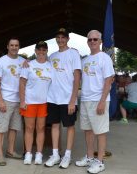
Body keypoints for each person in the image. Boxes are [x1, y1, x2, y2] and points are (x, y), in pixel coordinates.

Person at [75, 30, 114, 174]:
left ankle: (100, 161)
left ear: (100, 41)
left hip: (98, 100)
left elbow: (108, 80)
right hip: (85, 99)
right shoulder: (84, 60)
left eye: (95, 39)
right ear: (87, 41)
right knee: (87, 130)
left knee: (100, 131)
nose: (92, 42)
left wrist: (103, 101)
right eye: (90, 39)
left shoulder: (104, 58)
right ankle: (90, 157)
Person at [44, 28, 81, 169]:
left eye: (63, 37)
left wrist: (73, 100)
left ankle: (67, 155)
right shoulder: (52, 56)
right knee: (54, 125)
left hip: (67, 99)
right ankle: (55, 154)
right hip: (53, 98)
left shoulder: (74, 54)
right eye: (58, 37)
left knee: (69, 127)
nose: (60, 40)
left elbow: (77, 77)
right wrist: (26, 63)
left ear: (67, 39)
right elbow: (42, 67)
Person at [0, 37, 25, 166]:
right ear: (7, 46)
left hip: (18, 100)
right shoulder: (0, 62)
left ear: (19, 47)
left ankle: (10, 151)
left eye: (16, 45)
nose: (14, 47)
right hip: (5, 99)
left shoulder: (23, 61)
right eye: (12, 45)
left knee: (14, 127)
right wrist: (0, 100)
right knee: (0, 128)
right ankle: (0, 154)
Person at [19, 41, 52, 165]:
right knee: (29, 128)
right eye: (39, 50)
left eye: (44, 50)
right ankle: (28, 153)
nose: (41, 52)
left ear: (46, 51)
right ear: (35, 51)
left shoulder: (50, 66)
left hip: (44, 102)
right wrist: (22, 101)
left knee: (41, 128)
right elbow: (22, 83)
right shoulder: (28, 65)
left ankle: (39, 154)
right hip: (30, 102)